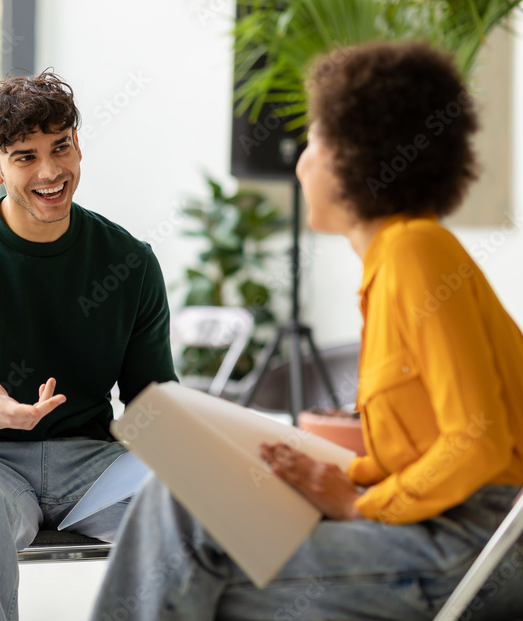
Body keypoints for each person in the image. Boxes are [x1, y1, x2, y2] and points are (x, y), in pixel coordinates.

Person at [91, 41, 523, 620]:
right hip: (443, 535)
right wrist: (338, 478)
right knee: (194, 556)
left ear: (360, 153)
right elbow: (430, 443)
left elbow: (477, 440)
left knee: (184, 531)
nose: (300, 162)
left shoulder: (415, 252)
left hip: (474, 547)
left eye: (316, 142)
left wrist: (360, 504)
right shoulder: (396, 261)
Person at [0, 70, 178, 620]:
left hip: (95, 466)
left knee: (197, 499)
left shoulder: (130, 261)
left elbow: (152, 402)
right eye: (24, 157)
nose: (50, 172)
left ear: (78, 147)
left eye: (60, 147)